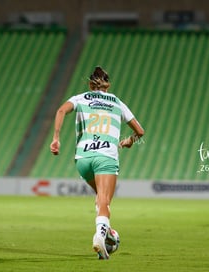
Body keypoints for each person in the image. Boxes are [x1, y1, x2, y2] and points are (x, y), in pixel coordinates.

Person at [50, 66, 144, 259]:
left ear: (90, 84)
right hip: (106, 156)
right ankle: (100, 235)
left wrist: (56, 138)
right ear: (107, 86)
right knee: (104, 200)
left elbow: (60, 110)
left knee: (100, 198)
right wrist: (129, 141)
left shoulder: (80, 98)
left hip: (83, 158)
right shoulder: (117, 102)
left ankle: (108, 233)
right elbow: (140, 131)